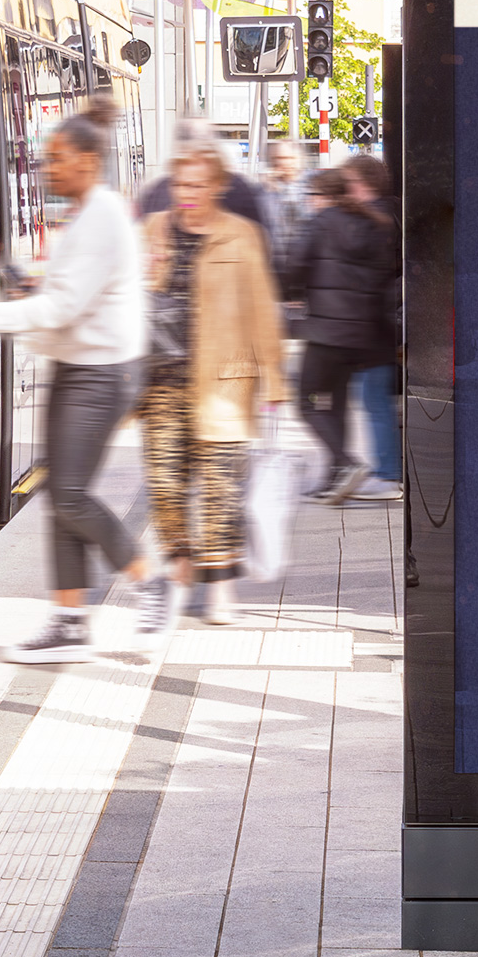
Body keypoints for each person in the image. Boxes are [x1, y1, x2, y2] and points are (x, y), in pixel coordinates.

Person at [0, 114, 145, 664]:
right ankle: (71, 623)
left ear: (86, 162)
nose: (47, 168)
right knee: (61, 495)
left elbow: (66, 307)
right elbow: (68, 295)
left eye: (56, 158)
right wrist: (32, 284)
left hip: (101, 373)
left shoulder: (102, 218)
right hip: (77, 367)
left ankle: (149, 577)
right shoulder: (83, 216)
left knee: (70, 494)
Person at [136, 125, 286, 629]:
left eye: (199, 186)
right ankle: (181, 564)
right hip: (162, 385)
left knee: (221, 489)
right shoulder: (153, 231)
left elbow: (263, 312)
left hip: (224, 382)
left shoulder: (242, 236)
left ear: (217, 187)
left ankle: (220, 588)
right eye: (181, 186)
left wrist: (276, 386)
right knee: (165, 484)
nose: (189, 196)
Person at [281, 167, 400, 503]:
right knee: (334, 405)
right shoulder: (375, 224)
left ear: (323, 196)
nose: (310, 202)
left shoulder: (321, 222)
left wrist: (293, 290)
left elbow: (293, 266)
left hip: (325, 331)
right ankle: (334, 477)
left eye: (312, 196)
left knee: (305, 402)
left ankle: (346, 463)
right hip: (360, 335)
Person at [341, 154, 404, 501]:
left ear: (361, 183)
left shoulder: (374, 219)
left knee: (373, 396)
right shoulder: (393, 211)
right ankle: (386, 470)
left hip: (377, 319)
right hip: (386, 315)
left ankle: (387, 474)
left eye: (349, 182)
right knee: (374, 396)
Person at [137, 129, 274, 254]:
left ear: (217, 186)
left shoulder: (242, 232)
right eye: (178, 185)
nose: (186, 194)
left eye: (197, 186)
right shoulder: (154, 225)